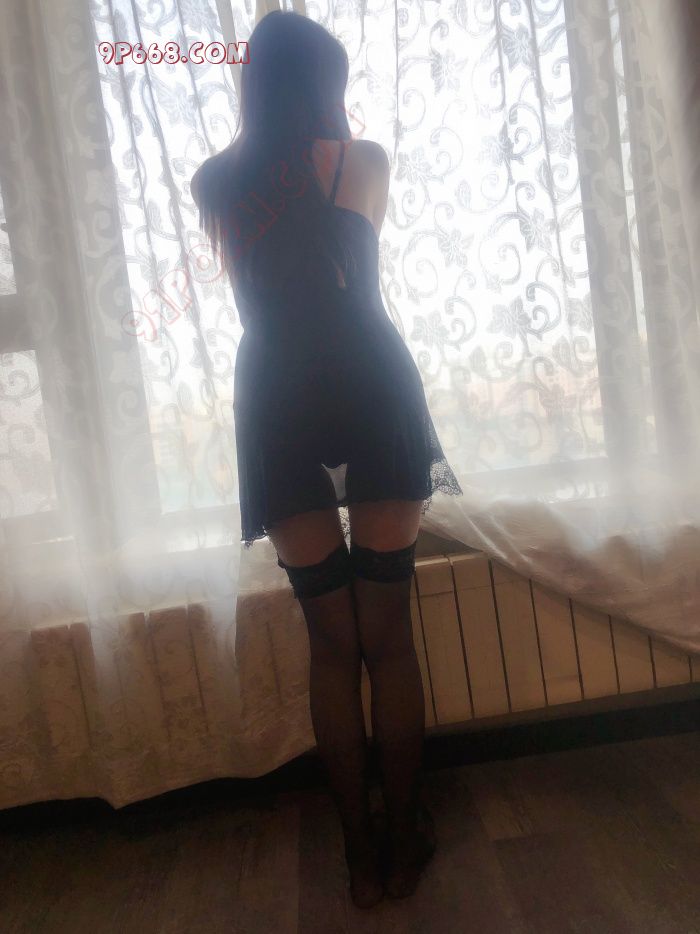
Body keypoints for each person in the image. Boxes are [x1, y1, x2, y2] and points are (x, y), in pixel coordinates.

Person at [191, 10, 462, 909]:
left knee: (330, 645)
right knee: (388, 638)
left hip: (276, 397)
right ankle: (404, 836)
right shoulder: (363, 161)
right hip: (370, 383)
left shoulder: (215, 182)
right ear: (325, 84)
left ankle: (358, 856)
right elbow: (345, 274)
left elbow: (267, 287)